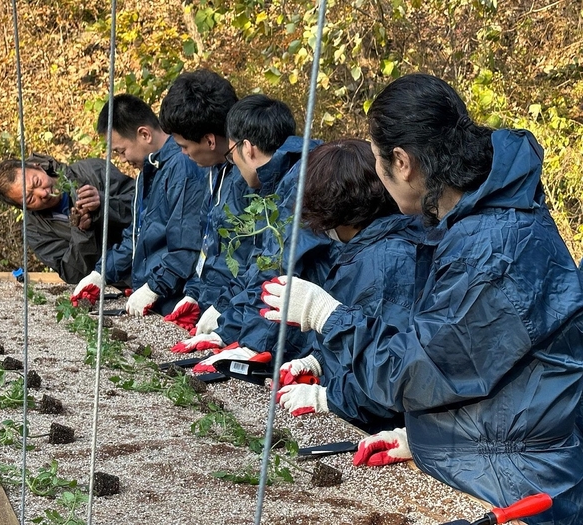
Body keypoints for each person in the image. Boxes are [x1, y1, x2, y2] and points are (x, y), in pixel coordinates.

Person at [260, 73, 583, 525]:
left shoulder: (491, 249)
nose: (377, 174)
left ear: (402, 161)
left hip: (517, 489)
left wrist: (325, 315)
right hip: (491, 463)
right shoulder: (474, 224)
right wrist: (423, 438)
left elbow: (413, 372)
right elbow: (480, 368)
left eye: (376, 160)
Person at [267, 139, 423, 434]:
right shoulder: (366, 247)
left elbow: (392, 372)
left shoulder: (389, 260)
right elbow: (359, 335)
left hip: (382, 425)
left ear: (335, 209)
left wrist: (329, 398)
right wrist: (319, 361)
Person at [178, 95, 334, 369]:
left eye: (231, 155)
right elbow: (259, 264)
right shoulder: (289, 175)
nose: (234, 165)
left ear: (247, 148)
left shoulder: (301, 181)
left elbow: (279, 269)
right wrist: (227, 326)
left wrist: (252, 345)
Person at [71, 94, 207, 316]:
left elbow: (187, 246)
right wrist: (101, 274)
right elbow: (135, 236)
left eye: (121, 151)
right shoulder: (148, 171)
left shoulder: (182, 167)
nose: (122, 160)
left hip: (176, 301)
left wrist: (154, 288)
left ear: (144, 134)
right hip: (156, 299)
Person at [158, 69, 256, 334]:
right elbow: (209, 246)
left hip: (239, 317)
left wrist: (225, 309)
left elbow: (253, 260)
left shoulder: (250, 179)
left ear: (210, 140)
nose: (183, 154)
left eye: (184, 146)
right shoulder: (216, 169)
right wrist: (195, 293)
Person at [0, 153, 134, 284]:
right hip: (117, 285)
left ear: (39, 168)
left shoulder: (93, 171)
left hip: (147, 260)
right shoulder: (36, 231)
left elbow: (147, 206)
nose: (43, 193)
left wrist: (103, 203)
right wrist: (83, 233)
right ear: (24, 208)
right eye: (30, 199)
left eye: (37, 182)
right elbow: (73, 275)